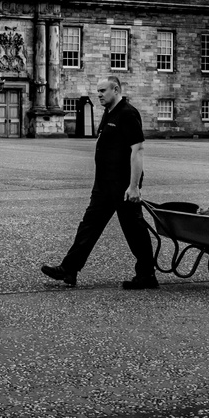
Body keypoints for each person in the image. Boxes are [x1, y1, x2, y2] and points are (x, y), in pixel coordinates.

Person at [41, 75, 158, 290]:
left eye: (103, 91)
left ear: (115, 89)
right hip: (104, 185)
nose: (99, 95)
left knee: (134, 230)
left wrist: (134, 186)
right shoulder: (108, 113)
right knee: (88, 227)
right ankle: (69, 269)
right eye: (98, 91)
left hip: (123, 185)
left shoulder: (128, 114)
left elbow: (138, 150)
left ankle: (147, 275)